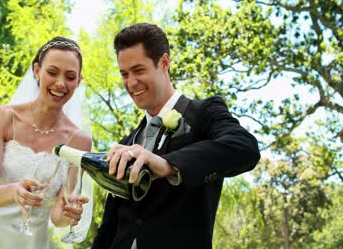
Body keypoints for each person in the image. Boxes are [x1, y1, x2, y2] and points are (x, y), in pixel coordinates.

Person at [91, 23, 261, 249]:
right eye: (124, 74)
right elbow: (109, 228)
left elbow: (245, 148)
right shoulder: (126, 144)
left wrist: (168, 165)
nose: (131, 83)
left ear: (164, 63)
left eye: (139, 70)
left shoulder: (204, 113)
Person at [0, 36, 92, 249]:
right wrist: (13, 191)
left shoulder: (80, 141)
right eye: (52, 72)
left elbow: (57, 218)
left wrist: (69, 212)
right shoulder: (0, 117)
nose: (60, 83)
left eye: (70, 77)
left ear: (78, 82)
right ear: (36, 71)